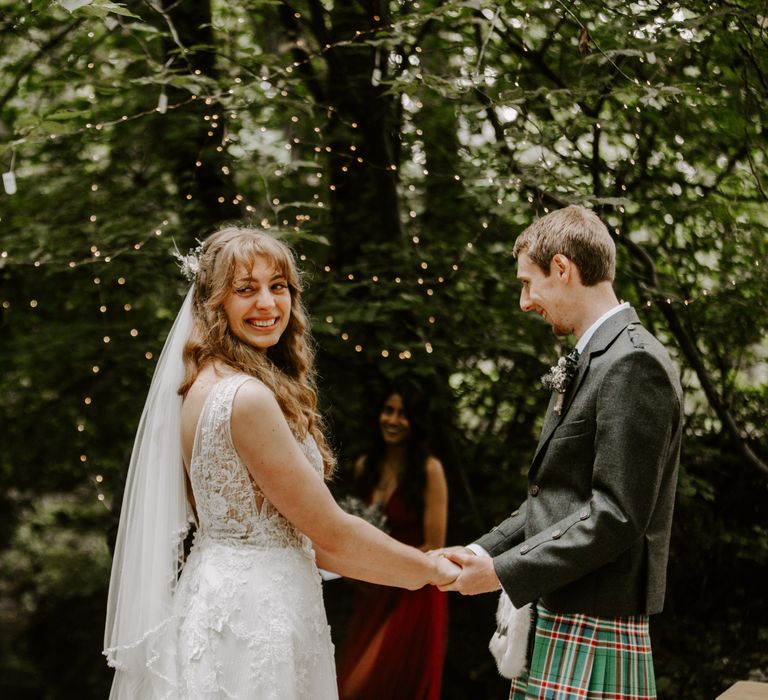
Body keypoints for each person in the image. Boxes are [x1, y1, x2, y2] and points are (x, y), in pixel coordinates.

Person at [103, 227, 459, 700]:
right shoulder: (246, 398)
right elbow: (329, 535)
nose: (268, 304)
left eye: (279, 287)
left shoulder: (200, 386)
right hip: (257, 619)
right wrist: (430, 570)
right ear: (214, 302)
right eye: (245, 289)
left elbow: (317, 543)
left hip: (219, 600)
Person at [435, 205, 683, 699]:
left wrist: (504, 571)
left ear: (563, 269)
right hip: (559, 609)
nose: (525, 301)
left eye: (530, 283)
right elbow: (554, 496)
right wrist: (482, 551)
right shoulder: (595, 356)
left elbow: (615, 514)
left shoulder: (633, 362)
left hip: (595, 619)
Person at [336, 381, 449, 700]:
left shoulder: (430, 471)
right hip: (374, 590)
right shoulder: (364, 467)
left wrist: (384, 563)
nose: (393, 420)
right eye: (388, 410)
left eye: (403, 414)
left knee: (375, 682)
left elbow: (435, 546)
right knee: (352, 684)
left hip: (416, 590)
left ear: (416, 422)